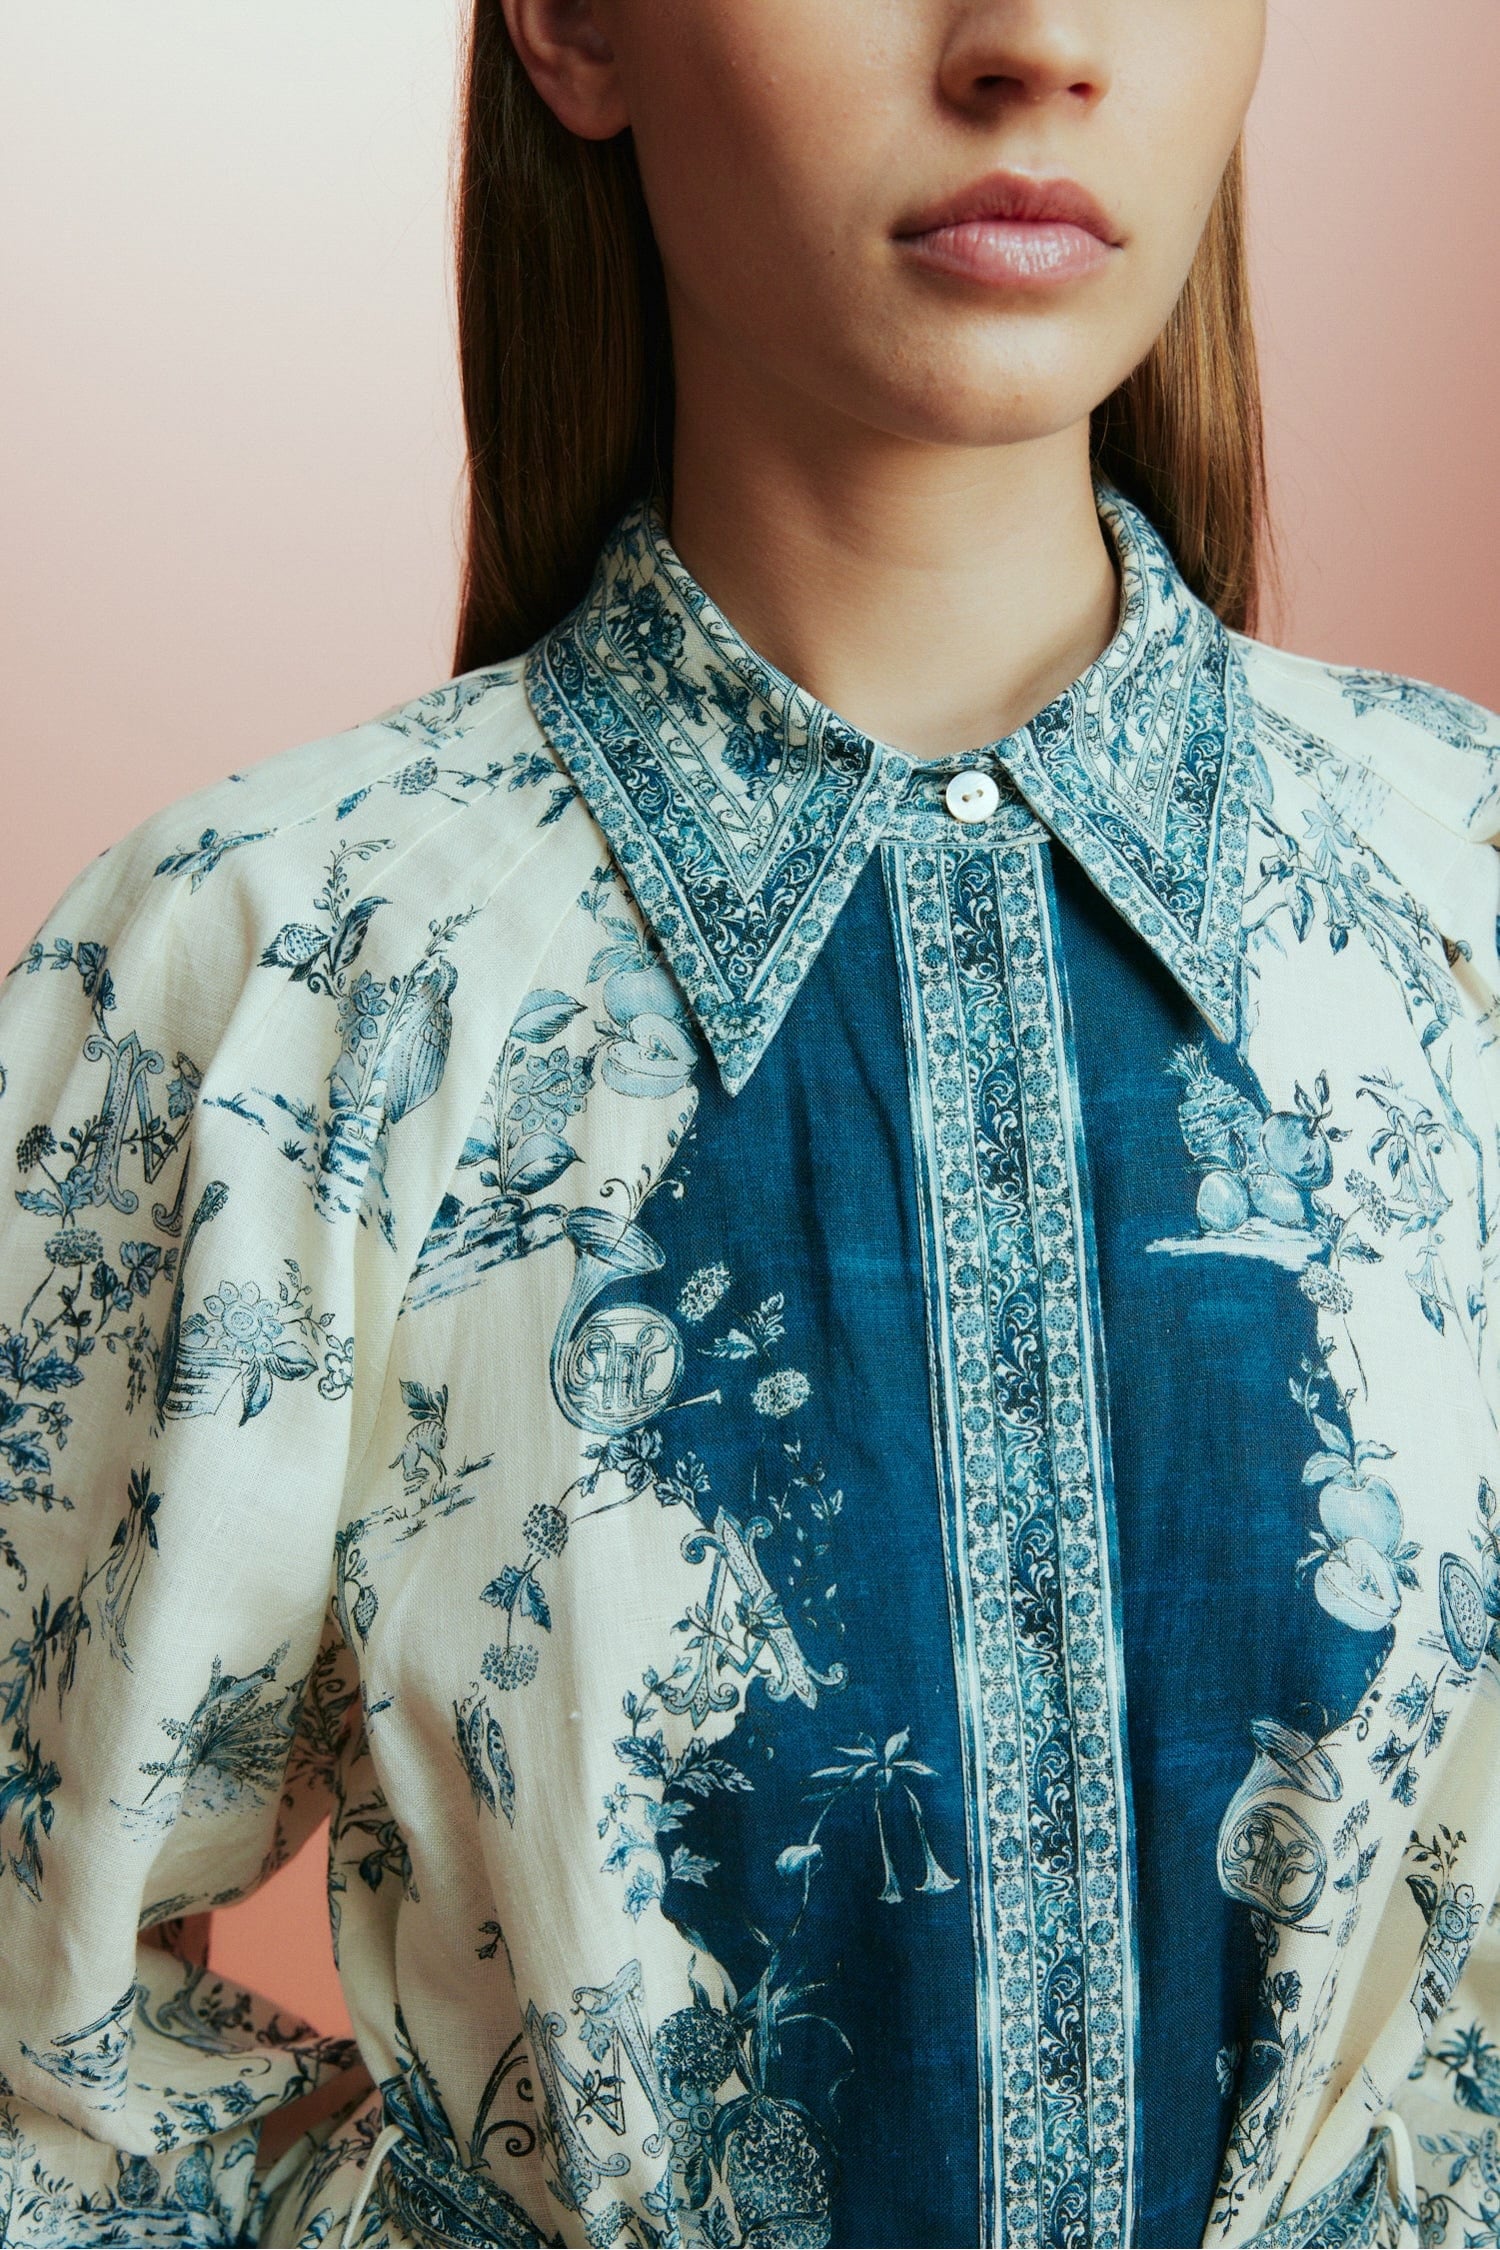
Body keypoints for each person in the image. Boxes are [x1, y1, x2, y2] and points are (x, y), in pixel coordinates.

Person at [1, 1, 1497, 2244]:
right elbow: (42, 2073)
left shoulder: (1466, 911)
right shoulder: (274, 985)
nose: (1035, 42)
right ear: (576, 26)